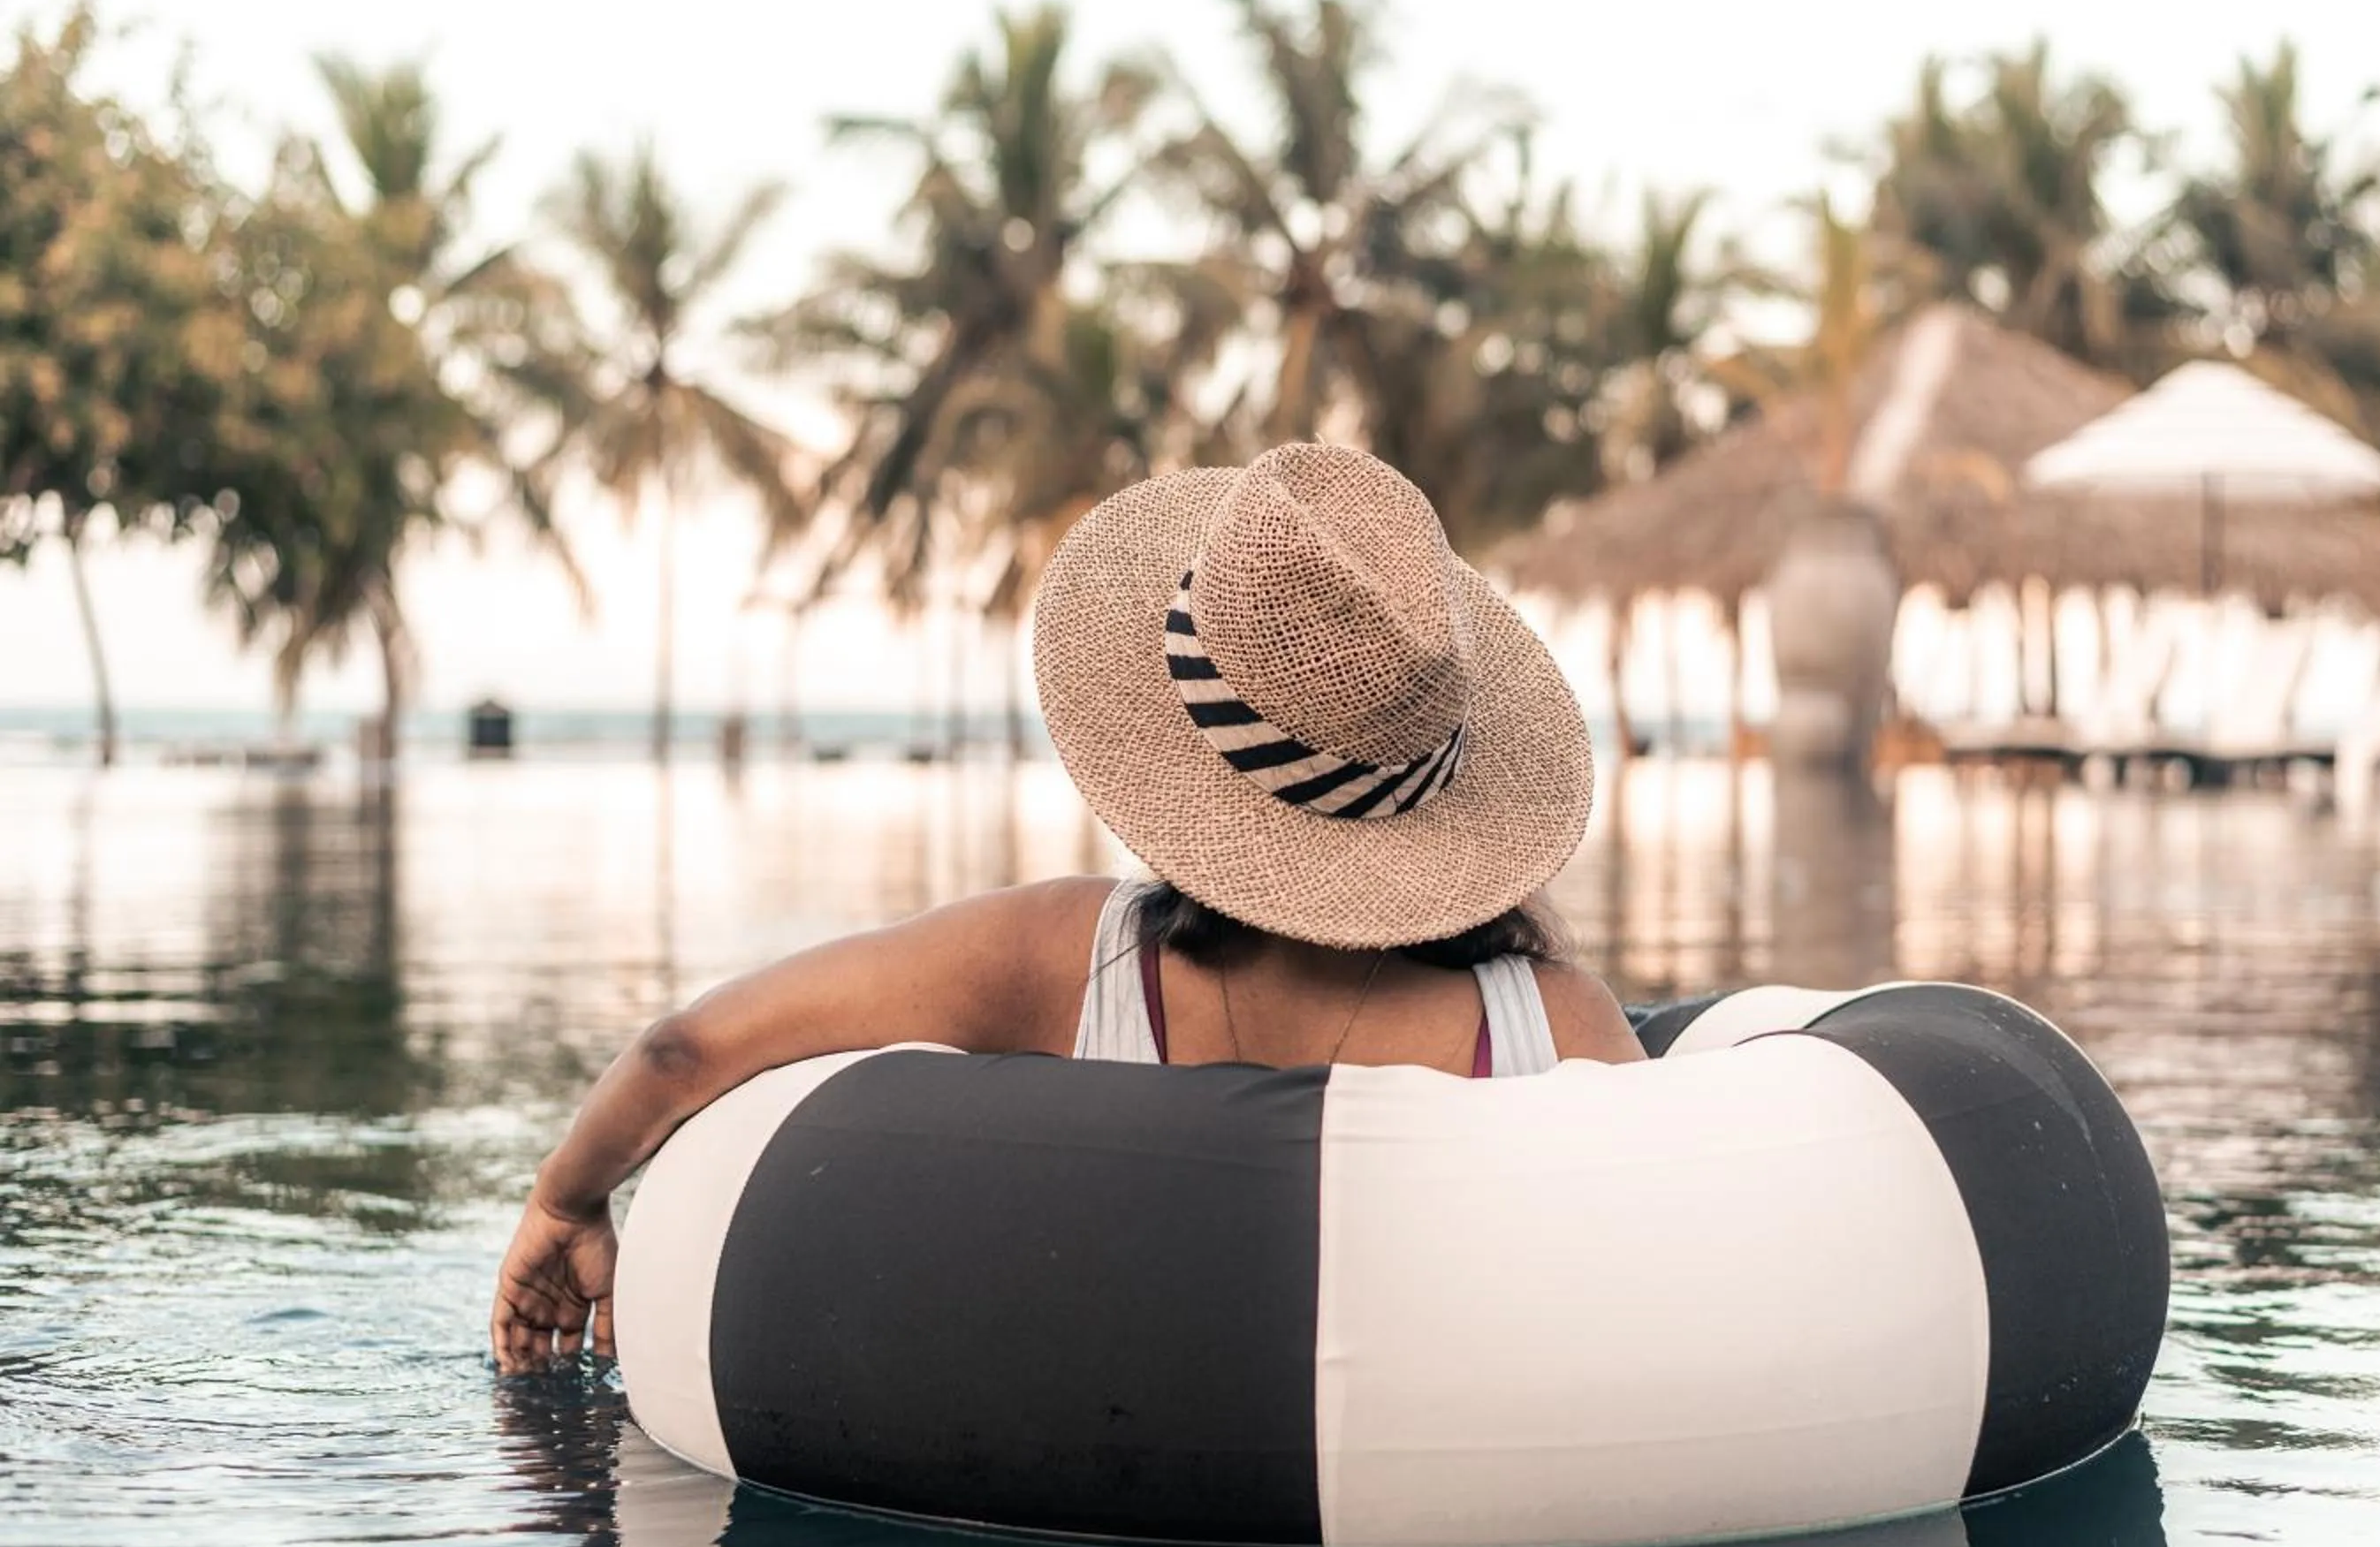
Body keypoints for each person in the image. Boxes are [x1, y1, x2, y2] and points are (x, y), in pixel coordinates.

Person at [491, 444, 1644, 1370]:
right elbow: (1671, 1264)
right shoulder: (1557, 1023)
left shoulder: (1060, 957)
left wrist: (563, 1203)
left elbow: (685, 1051)